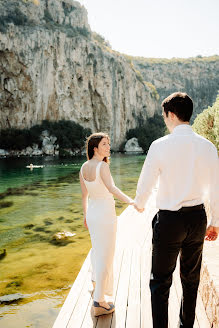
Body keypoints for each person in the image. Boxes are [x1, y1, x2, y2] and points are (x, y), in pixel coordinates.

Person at [134, 92, 219, 328]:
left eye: (164, 116)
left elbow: (145, 183)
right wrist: (215, 222)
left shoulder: (160, 146)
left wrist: (140, 204)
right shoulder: (208, 147)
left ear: (171, 114)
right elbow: (216, 187)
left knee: (160, 282)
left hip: (169, 220)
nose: (165, 120)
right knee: (191, 280)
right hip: (197, 218)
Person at [79, 132, 133, 316]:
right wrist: (131, 201)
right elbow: (112, 188)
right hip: (105, 215)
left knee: (97, 250)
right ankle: (99, 302)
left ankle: (95, 282)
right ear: (95, 148)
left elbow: (84, 196)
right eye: (104, 144)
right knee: (106, 255)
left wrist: (86, 216)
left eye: (108, 144)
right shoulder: (102, 166)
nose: (108, 147)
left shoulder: (83, 167)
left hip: (94, 215)